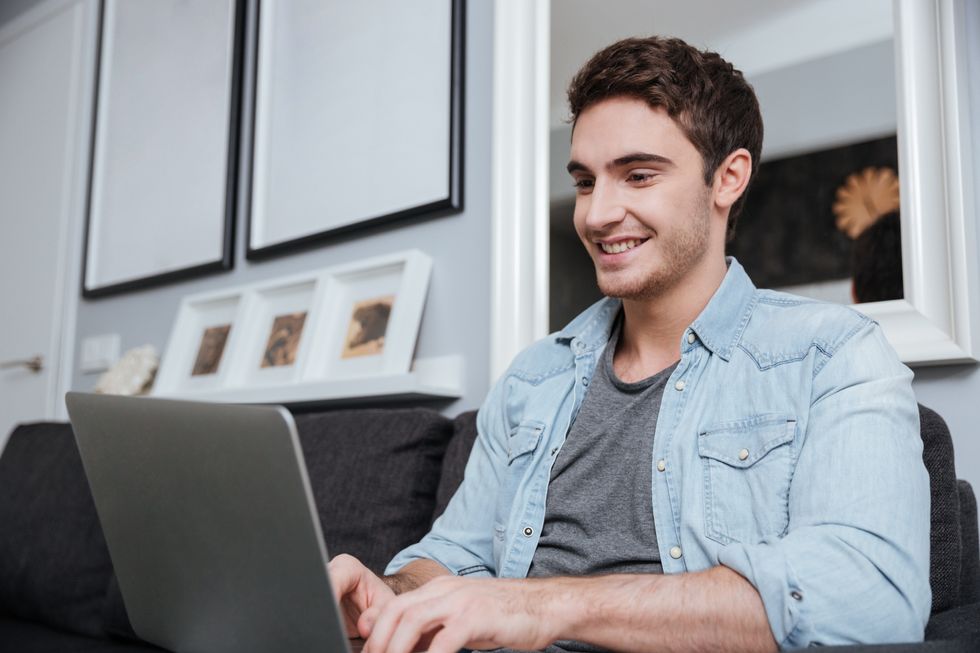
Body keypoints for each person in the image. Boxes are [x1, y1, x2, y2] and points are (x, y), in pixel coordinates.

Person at [330, 36, 930, 653]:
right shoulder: (533, 378)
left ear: (728, 178)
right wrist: (389, 595)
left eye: (638, 175)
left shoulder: (833, 356)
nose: (595, 214)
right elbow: (453, 557)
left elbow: (871, 595)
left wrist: (543, 606)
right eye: (585, 182)